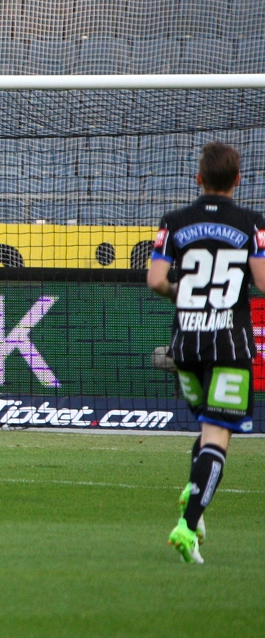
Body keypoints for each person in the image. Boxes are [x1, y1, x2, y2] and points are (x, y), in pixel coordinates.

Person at [147, 142, 265, 563]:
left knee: (205, 426)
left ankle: (191, 493)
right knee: (219, 435)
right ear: (238, 179)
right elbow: (264, 282)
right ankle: (186, 524)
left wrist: (187, 292)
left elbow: (157, 280)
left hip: (187, 344)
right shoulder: (252, 224)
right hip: (230, 345)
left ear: (198, 178)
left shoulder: (175, 222)